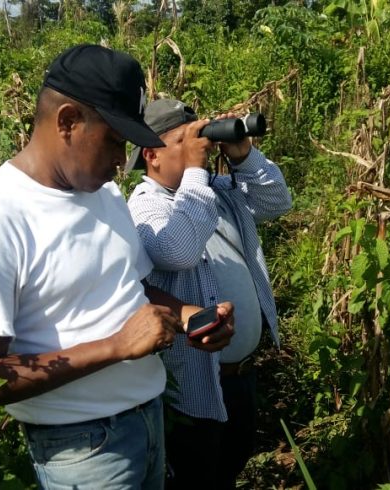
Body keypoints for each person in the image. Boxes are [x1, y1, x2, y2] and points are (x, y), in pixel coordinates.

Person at [0, 45, 233, 490]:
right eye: (115, 140)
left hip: (149, 420)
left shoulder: (104, 196)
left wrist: (190, 316)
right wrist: (114, 347)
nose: (122, 161)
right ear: (68, 121)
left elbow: (132, 289)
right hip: (83, 450)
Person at [125, 99, 293, 489]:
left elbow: (277, 202)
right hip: (193, 384)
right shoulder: (144, 207)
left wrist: (242, 154)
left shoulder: (217, 191)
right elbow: (177, 251)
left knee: (228, 471)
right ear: (151, 155)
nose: (199, 146)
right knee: (196, 477)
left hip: (241, 374)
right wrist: (197, 172)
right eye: (185, 139)